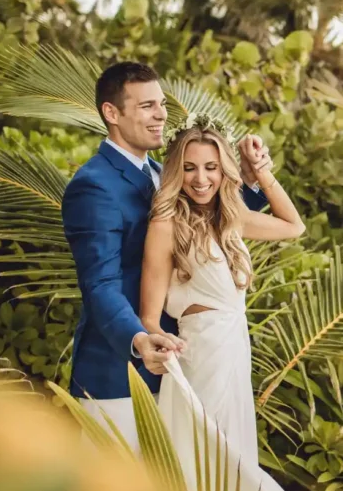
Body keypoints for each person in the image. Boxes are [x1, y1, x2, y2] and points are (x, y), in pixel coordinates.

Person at [61, 62, 271, 452]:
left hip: (182, 370)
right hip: (118, 376)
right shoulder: (93, 187)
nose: (161, 114)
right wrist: (139, 338)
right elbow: (100, 285)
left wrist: (250, 176)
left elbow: (213, 219)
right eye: (146, 106)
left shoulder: (163, 173)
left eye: (160, 104)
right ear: (112, 113)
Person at [139, 115, 304, 491]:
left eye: (211, 167)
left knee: (232, 467)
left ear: (223, 170)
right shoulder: (165, 223)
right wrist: (158, 342)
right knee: (205, 462)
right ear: (176, 170)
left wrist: (261, 170)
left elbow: (293, 225)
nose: (200, 179)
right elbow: (149, 313)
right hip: (200, 357)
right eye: (190, 167)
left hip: (234, 353)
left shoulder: (231, 219)